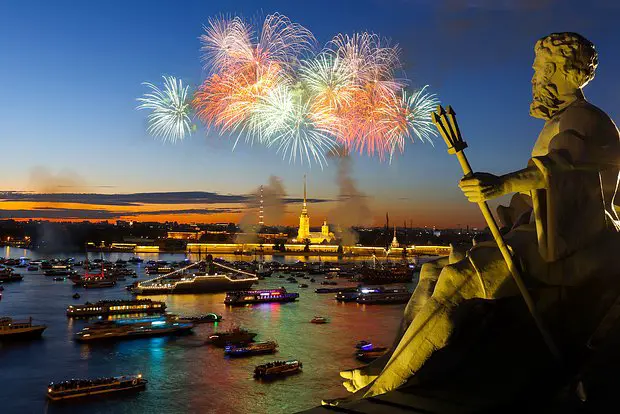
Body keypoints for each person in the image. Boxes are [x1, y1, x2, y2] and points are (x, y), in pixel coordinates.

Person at [330, 32, 620, 403]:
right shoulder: (562, 121)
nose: (533, 79)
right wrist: (503, 218)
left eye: (539, 70)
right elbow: (535, 191)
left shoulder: (586, 118)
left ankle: (384, 387)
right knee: (431, 271)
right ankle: (391, 363)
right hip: (543, 234)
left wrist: (500, 184)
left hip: (574, 244)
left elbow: (558, 169)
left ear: (560, 69)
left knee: (459, 277)